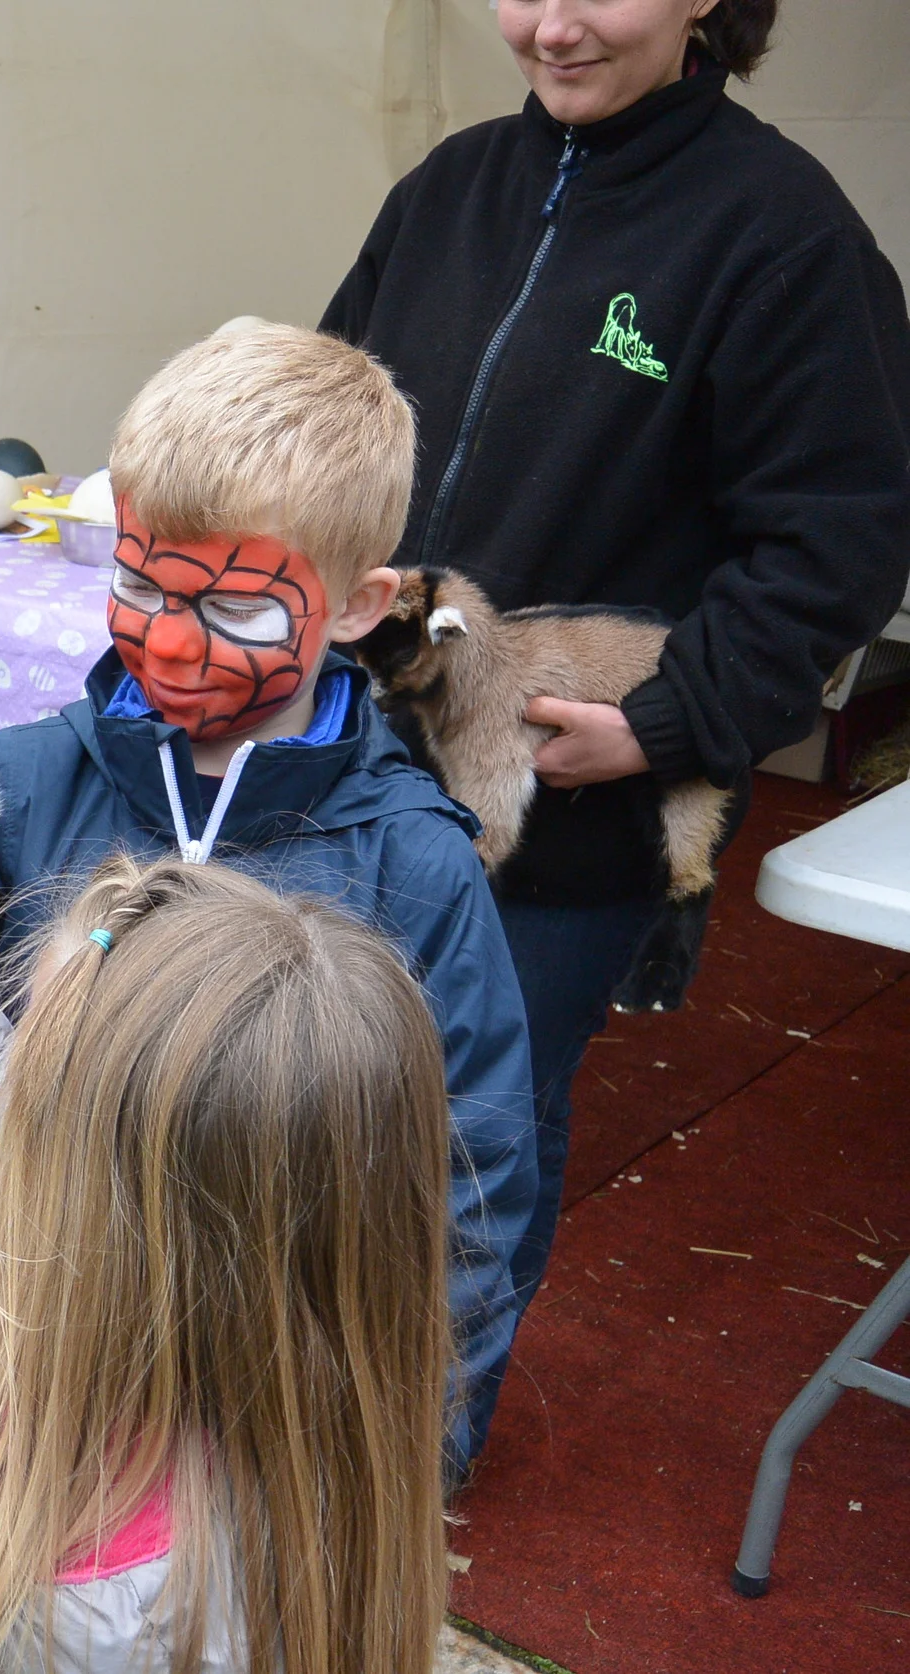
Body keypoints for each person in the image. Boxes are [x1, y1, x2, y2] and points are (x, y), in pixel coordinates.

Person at [0, 322, 536, 1470]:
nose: (171, 644)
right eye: (139, 583)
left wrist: (400, 1451)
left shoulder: (412, 865)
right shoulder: (22, 784)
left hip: (277, 1411)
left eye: (234, 611)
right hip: (30, 1354)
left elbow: (468, 1182)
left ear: (354, 604)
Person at [319, 0, 910, 1362]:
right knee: (320, 1088)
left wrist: (664, 722)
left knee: (472, 1129)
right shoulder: (451, 186)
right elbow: (332, 416)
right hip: (360, 761)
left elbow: (842, 537)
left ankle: (418, 1442)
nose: (554, 24)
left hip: (569, 796)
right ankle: (289, 1414)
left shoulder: (783, 232)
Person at [0, 856, 453, 1674]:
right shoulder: (300, 1398)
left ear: (105, 1213)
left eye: (35, 1094)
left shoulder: (120, 1620)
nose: (6, 1127)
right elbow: (5, 1133)